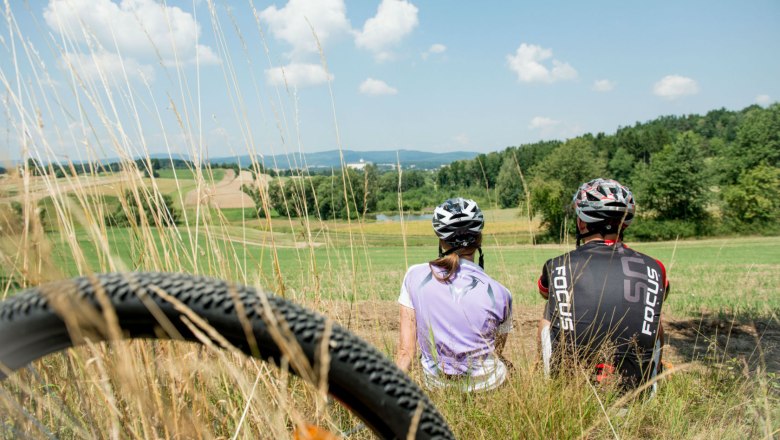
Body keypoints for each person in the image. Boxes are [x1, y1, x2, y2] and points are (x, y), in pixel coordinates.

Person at [537, 178, 670, 392]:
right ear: (624, 223)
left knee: (548, 312)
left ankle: (552, 385)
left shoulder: (556, 265)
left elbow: (545, 293)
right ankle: (651, 382)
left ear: (581, 223)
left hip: (573, 387)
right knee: (655, 317)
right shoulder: (656, 267)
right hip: (633, 387)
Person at [395, 198, 513, 392]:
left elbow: (405, 352)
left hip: (436, 384)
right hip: (487, 386)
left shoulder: (414, 276)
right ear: (479, 239)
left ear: (441, 240)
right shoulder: (501, 293)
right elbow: (495, 351)